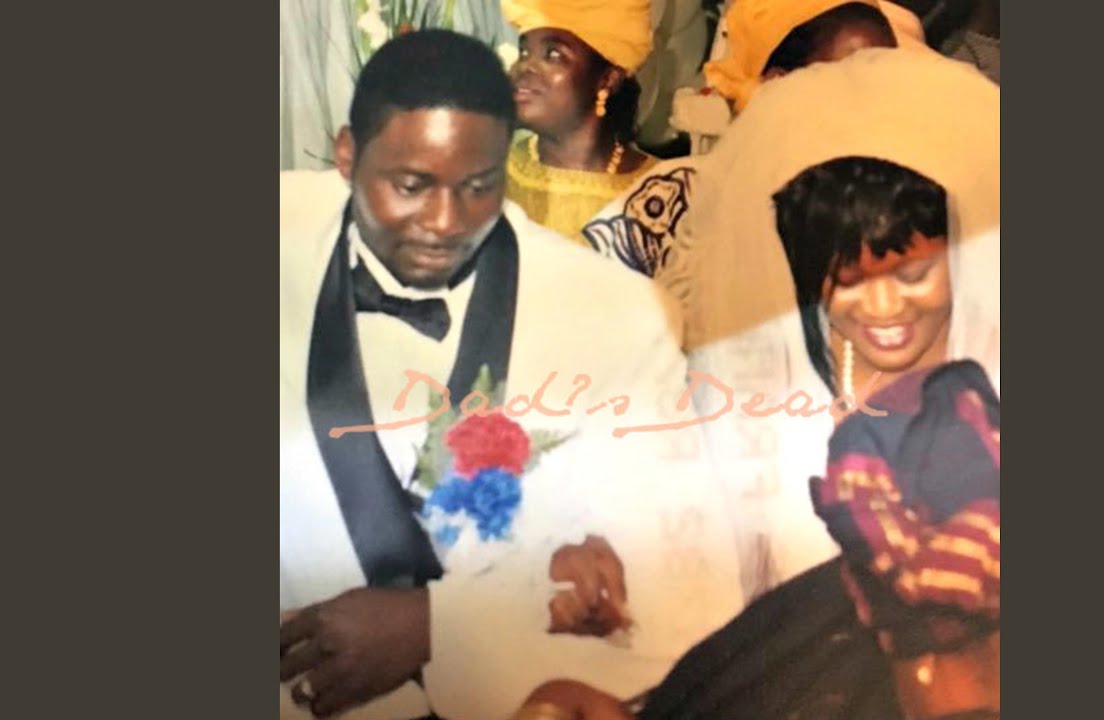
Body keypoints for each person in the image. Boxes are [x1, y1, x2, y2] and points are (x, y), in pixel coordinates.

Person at [503, 46, 1000, 720]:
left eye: (914, 272)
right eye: (846, 277)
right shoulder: (750, 392)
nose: (884, 307)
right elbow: (686, 580)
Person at [279, 30, 741, 720]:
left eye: (477, 186)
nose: (444, 222)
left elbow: (695, 588)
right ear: (347, 156)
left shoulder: (612, 316)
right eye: (410, 185)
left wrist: (440, 628)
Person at [583, 0, 913, 278]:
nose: (875, 102)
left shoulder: (906, 208)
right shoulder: (669, 207)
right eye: (851, 82)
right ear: (778, 86)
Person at [500, 0, 660, 242]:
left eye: (553, 55)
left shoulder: (660, 192)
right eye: (524, 52)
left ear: (608, 79)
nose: (524, 67)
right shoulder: (491, 171)